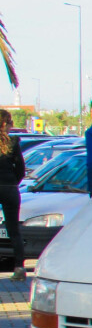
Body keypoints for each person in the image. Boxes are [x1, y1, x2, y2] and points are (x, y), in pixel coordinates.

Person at [0, 109, 27, 281]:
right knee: (14, 230)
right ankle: (19, 268)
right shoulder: (13, 142)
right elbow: (21, 170)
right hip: (10, 187)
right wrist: (13, 182)